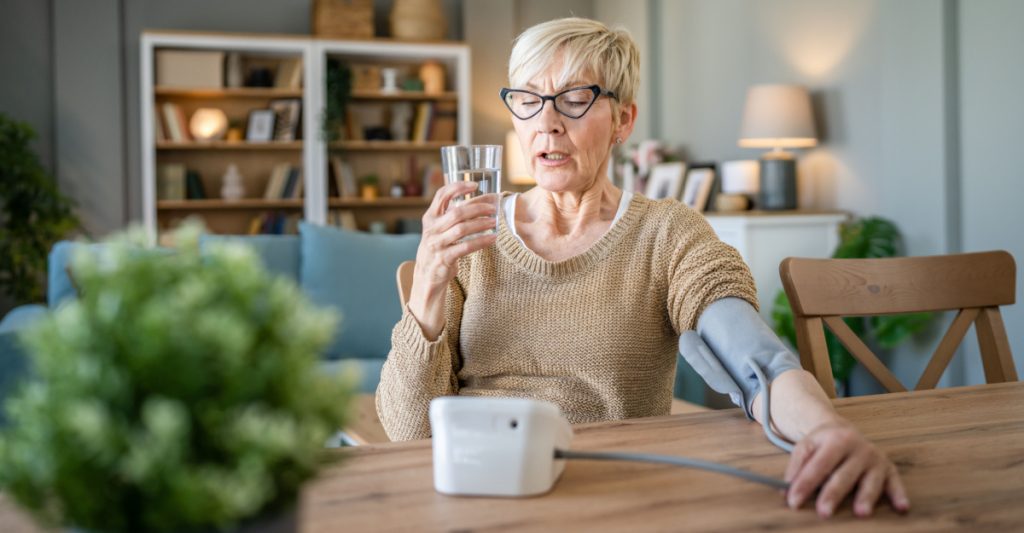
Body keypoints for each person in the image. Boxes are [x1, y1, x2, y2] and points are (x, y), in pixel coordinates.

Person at [376, 17, 909, 519]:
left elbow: (753, 356)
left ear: (623, 120)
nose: (547, 123)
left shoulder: (666, 233)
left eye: (575, 98)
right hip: (479, 488)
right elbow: (406, 433)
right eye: (528, 100)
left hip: (611, 493)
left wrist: (826, 430)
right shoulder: (474, 235)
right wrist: (427, 280)